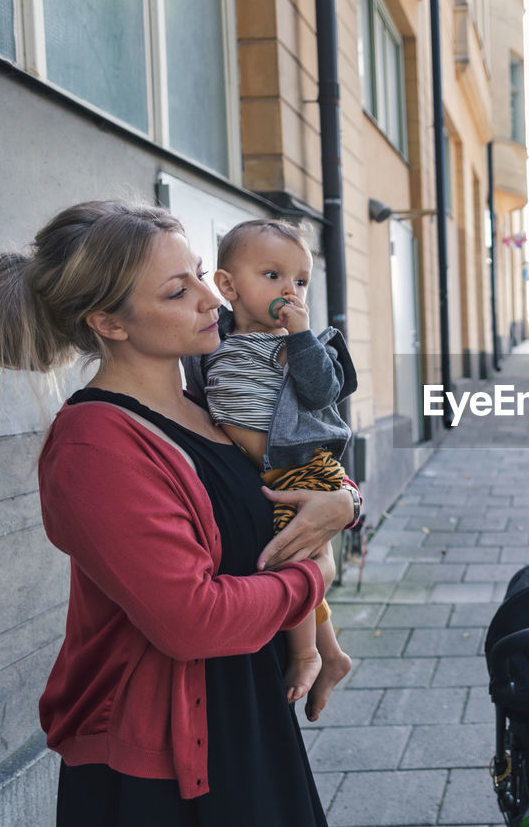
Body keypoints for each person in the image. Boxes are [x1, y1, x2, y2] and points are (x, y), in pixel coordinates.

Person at [0, 200, 361, 826]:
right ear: (108, 322)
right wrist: (315, 577)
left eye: (202, 273)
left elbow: (298, 464)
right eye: (179, 291)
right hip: (164, 765)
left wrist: (345, 502)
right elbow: (192, 621)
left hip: (247, 709)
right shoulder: (95, 446)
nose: (211, 298)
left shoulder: (207, 400)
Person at [182, 219, 355, 722]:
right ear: (229, 287)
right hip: (266, 472)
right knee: (296, 551)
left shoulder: (293, 346)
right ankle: (331, 652)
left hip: (299, 465)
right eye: (273, 274)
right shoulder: (212, 346)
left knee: (286, 558)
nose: (289, 290)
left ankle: (308, 654)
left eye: (300, 281)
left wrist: (302, 338)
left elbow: (325, 393)